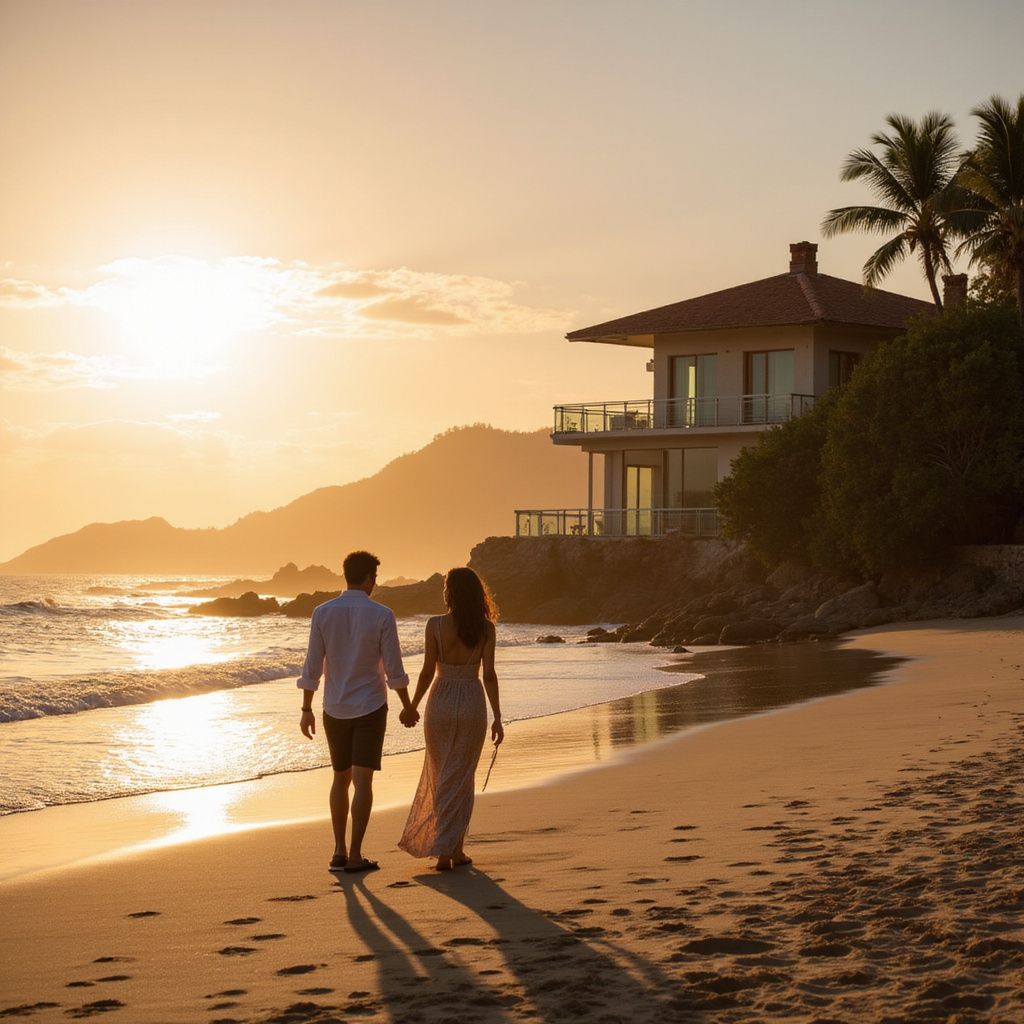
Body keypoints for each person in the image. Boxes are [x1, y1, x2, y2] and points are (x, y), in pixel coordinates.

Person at [298, 550, 418, 874]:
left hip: (333, 706)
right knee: (363, 782)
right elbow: (394, 668)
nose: (375, 583)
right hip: (370, 706)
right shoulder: (382, 615)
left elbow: (312, 666)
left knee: (340, 778)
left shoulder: (322, 612)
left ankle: (338, 851)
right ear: (368, 578)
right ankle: (355, 854)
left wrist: (306, 708)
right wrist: (407, 705)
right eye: (374, 578)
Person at [398, 567, 503, 871]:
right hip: (471, 699)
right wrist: (497, 716)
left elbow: (427, 671)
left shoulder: (435, 625)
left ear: (450, 593)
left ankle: (449, 849)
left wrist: (412, 705)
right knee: (462, 776)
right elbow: (489, 675)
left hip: (440, 700)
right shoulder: (486, 629)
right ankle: (450, 849)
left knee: (441, 773)